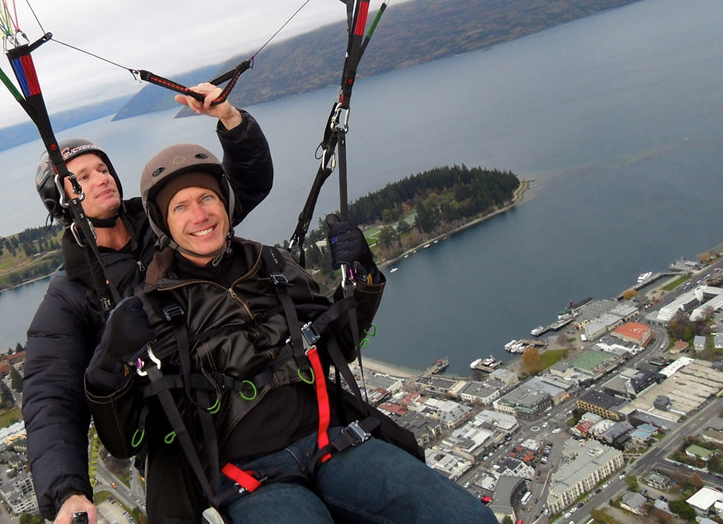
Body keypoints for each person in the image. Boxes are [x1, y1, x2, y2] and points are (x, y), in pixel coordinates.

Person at [84, 143, 497, 524]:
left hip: (335, 443)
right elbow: (126, 440)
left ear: (224, 202)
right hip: (250, 477)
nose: (200, 216)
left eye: (207, 198)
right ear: (162, 222)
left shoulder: (272, 265)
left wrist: (364, 279)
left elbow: (339, 343)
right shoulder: (150, 308)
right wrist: (108, 364)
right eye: (181, 207)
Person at [21, 85, 274, 524]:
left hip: (243, 385)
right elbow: (50, 395)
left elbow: (245, 188)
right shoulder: (70, 295)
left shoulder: (167, 219)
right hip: (173, 428)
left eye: (102, 169)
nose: (101, 179)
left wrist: (231, 121)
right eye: (81, 178)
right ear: (62, 204)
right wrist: (66, 489)